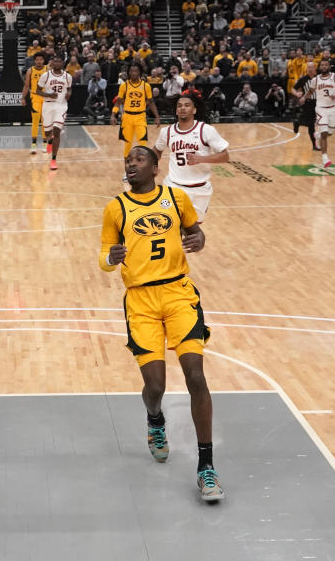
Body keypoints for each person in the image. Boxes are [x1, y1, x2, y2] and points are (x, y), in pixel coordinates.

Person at [99, 145, 223, 502]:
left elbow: (196, 233)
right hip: (140, 301)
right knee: (155, 387)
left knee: (195, 374)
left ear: (155, 167)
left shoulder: (176, 197)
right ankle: (155, 420)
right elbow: (103, 258)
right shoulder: (115, 209)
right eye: (128, 160)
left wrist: (198, 239)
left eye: (138, 160)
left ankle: (206, 466)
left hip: (179, 293)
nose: (131, 164)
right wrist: (111, 256)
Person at [153, 92, 229, 222]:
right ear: (176, 111)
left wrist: (201, 159)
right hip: (173, 186)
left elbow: (225, 156)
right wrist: (150, 165)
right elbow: (157, 151)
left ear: (194, 110)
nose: (183, 108)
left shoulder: (206, 130)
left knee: (192, 232)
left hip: (200, 189)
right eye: (179, 106)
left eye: (187, 105)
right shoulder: (167, 131)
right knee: (167, 224)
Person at [112, 62, 161, 168]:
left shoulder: (145, 86)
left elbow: (151, 102)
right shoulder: (124, 86)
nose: (133, 73)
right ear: (128, 72)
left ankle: (142, 169)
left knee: (143, 144)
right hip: (127, 117)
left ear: (139, 72)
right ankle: (127, 171)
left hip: (140, 116)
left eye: (136, 71)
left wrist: (157, 116)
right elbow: (118, 101)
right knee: (127, 145)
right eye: (131, 71)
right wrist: (113, 114)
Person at [305, 58, 335, 167]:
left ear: (329, 66)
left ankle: (317, 135)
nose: (324, 67)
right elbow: (311, 91)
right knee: (324, 133)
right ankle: (325, 158)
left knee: (330, 133)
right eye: (322, 65)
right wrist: (304, 98)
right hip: (321, 108)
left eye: (326, 65)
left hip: (333, 108)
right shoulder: (316, 80)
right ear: (319, 67)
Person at [34, 53, 72, 170]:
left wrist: (68, 95)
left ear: (62, 63)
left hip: (61, 106)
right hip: (48, 105)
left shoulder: (67, 77)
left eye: (59, 62)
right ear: (52, 63)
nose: (57, 63)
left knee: (56, 131)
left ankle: (54, 160)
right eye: (55, 61)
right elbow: (37, 91)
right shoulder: (45, 75)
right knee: (47, 133)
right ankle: (49, 141)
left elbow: (69, 89)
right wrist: (49, 94)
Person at [20, 52, 47, 154]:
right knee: (35, 121)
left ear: (43, 61)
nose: (39, 61)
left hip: (46, 98)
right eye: (37, 59)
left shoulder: (48, 70)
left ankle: (45, 143)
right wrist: (23, 97)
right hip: (35, 97)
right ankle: (34, 144)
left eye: (41, 59)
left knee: (45, 121)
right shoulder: (30, 71)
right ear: (34, 61)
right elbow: (26, 86)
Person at [292, 61, 318, 150]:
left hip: (318, 103)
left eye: (312, 67)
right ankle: (314, 145)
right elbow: (293, 89)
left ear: (315, 69)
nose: (310, 69)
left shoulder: (319, 78)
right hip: (308, 103)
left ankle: (298, 122)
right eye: (309, 68)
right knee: (311, 125)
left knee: (310, 123)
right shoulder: (303, 79)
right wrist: (297, 94)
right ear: (306, 69)